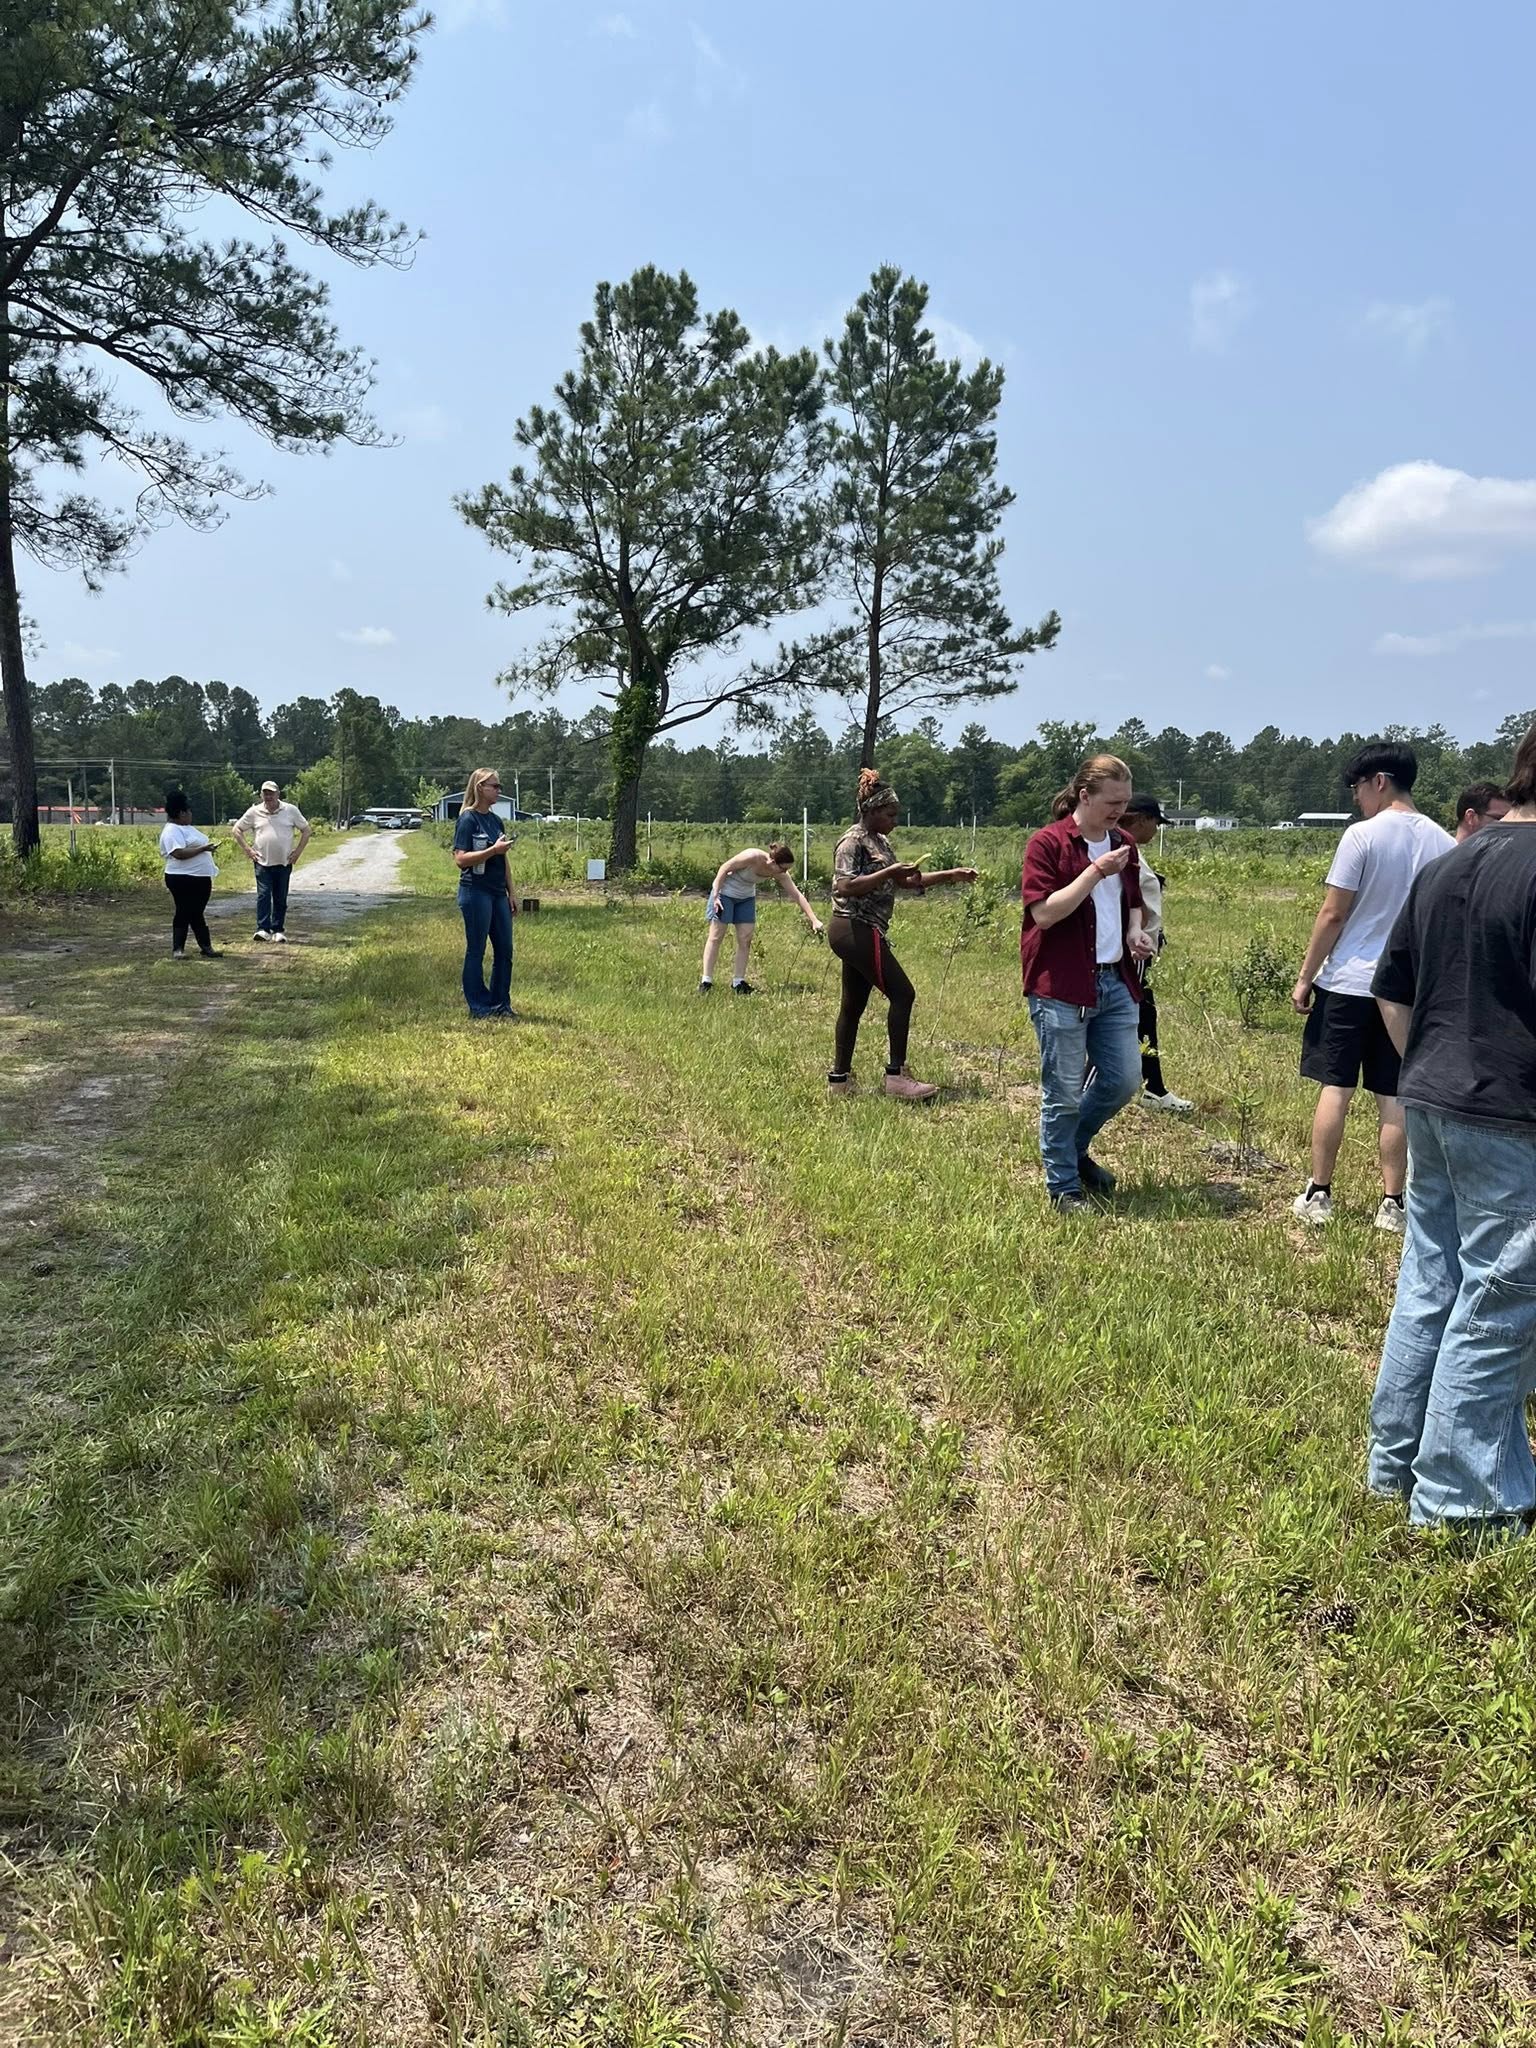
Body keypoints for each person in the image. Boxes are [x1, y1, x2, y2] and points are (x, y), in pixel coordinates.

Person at [1366, 722, 1536, 1538]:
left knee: (1432, 1286)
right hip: (1511, 1115)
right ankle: (1461, 1504)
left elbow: (1391, 989)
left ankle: (1393, 1468)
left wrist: (1430, 1072)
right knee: (1497, 1306)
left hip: (1431, 1097)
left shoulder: (1451, 861)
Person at [1290, 742, 1454, 1230]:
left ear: (1378, 781)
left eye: (1358, 788)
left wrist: (1305, 977)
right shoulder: (1443, 842)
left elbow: (1334, 912)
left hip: (1349, 982)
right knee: (1394, 1094)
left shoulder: (1361, 837)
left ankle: (1319, 1193)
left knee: (1336, 1086)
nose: (1357, 799)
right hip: (1405, 988)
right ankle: (1393, 1203)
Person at [1020, 755, 1157, 1212]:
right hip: (1061, 984)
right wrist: (1096, 871)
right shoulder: (1048, 844)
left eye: (1124, 801)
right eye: (1112, 801)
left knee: (1123, 1080)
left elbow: (1133, 900)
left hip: (1115, 982)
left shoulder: (1124, 846)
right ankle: (1063, 1187)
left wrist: (1135, 932)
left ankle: (1072, 1150)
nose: (1120, 810)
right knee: (1061, 1092)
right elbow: (1045, 913)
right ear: (1085, 795)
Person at [826, 769, 977, 1101]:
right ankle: (896, 1078)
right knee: (903, 994)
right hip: (854, 927)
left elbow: (906, 882)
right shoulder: (852, 841)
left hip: (862, 930)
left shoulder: (881, 842)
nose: (896, 820)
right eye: (890, 814)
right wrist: (890, 871)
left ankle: (839, 1081)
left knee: (853, 1006)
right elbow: (845, 886)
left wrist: (951, 875)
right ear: (872, 811)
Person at [1118, 794, 1193, 1114]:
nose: (1155, 831)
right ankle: (1153, 1089)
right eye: (1155, 823)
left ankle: (1151, 1087)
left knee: (1139, 1016)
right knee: (1139, 1016)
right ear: (1141, 819)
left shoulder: (1128, 851)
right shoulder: (1121, 850)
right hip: (1129, 953)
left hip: (1136, 950)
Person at [700, 843, 824, 995]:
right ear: (772, 862)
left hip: (745, 898)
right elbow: (724, 868)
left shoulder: (779, 873)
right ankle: (706, 982)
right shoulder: (751, 856)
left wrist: (814, 919)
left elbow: (797, 895)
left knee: (745, 939)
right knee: (716, 936)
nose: (785, 872)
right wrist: (716, 895)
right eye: (783, 868)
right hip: (724, 894)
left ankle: (738, 983)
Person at [452, 768, 517, 1018]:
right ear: (480, 787)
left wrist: (511, 891)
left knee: (505, 950)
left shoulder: (495, 820)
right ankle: (479, 1006)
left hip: (497, 893)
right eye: (495, 786)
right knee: (476, 950)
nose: (499, 790)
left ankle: (501, 1003)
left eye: (499, 786)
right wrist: (492, 851)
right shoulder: (468, 820)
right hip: (475, 893)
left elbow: (504, 860)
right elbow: (460, 859)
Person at [233, 779, 311, 943]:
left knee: (280, 897)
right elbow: (237, 829)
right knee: (263, 895)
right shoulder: (254, 812)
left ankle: (278, 929)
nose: (268, 796)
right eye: (265, 793)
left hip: (284, 861)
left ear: (278, 794)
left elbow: (306, 830)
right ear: (261, 794)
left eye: (271, 793)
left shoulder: (290, 810)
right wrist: (248, 850)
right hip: (262, 861)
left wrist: (298, 852)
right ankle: (262, 929)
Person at [158, 790, 225, 960]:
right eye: (189, 812)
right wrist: (203, 849)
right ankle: (178, 948)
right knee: (184, 911)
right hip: (181, 878)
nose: (191, 815)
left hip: (200, 878)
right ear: (181, 813)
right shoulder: (172, 830)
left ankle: (206, 947)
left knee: (196, 912)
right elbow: (178, 853)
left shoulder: (187, 828)